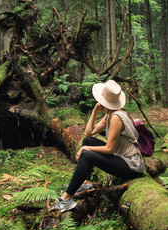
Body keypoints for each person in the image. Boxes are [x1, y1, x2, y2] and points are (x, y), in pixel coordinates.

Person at [50, 80, 145, 212]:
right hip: (120, 156)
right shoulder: (109, 115)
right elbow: (88, 133)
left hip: (131, 165)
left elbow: (108, 149)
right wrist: (94, 111)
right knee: (88, 141)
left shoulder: (117, 117)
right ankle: (86, 183)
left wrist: (84, 149)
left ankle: (66, 199)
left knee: (86, 154)